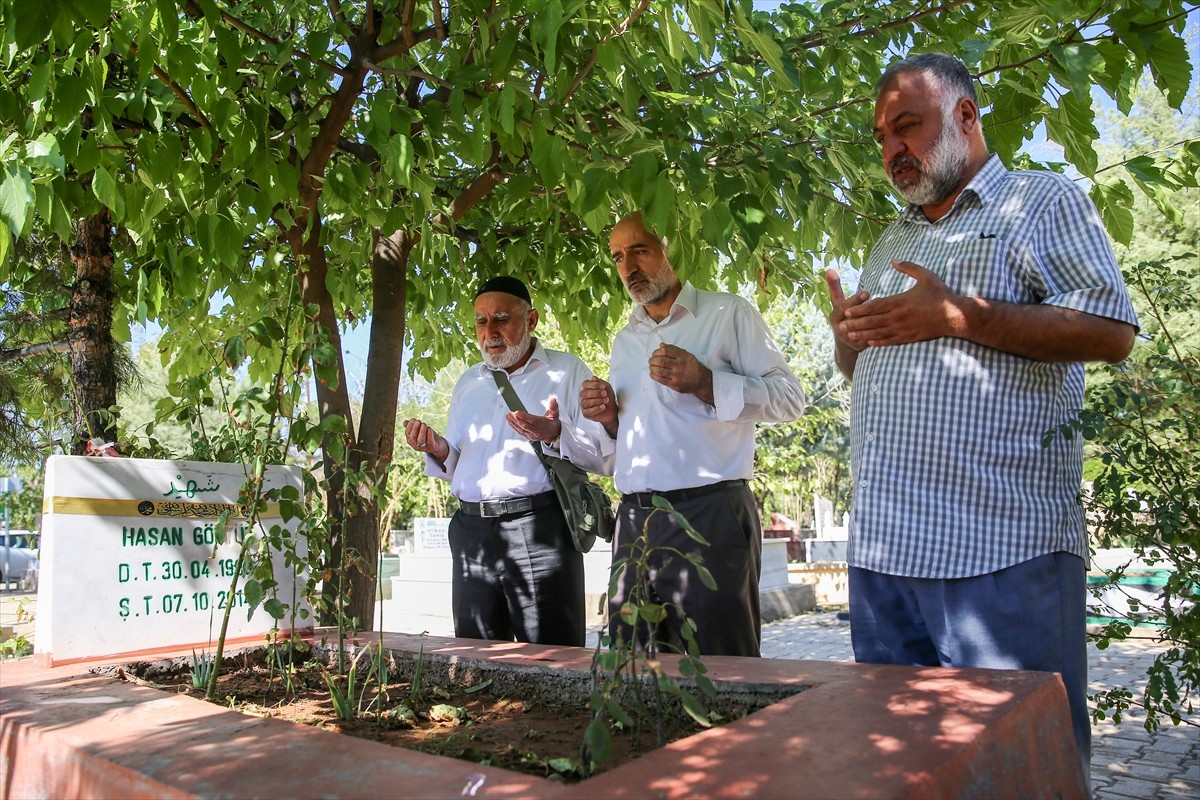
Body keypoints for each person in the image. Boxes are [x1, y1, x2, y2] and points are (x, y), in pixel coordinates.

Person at [825, 53, 1138, 778]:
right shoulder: (890, 240)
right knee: (903, 770)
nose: (891, 149)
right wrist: (852, 341)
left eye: (907, 125)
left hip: (999, 548)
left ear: (966, 117)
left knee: (1020, 771)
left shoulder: (1043, 201)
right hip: (884, 554)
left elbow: (1110, 332)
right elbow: (863, 370)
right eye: (880, 136)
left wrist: (960, 314)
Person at [581, 213, 806, 657]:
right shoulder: (625, 340)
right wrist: (609, 419)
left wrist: (706, 381)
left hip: (711, 514)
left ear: (670, 247)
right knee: (634, 667)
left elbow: (790, 399)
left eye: (639, 250)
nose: (628, 267)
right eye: (618, 257)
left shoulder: (728, 314)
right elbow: (634, 438)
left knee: (724, 668)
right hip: (634, 521)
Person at [403, 276, 613, 647]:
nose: (491, 332)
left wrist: (554, 433)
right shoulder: (468, 382)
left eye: (501, 318)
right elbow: (458, 465)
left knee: (553, 662)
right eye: (481, 322)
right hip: (471, 533)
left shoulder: (567, 372)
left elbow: (604, 457)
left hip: (540, 530)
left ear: (531, 320)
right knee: (475, 657)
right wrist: (438, 449)